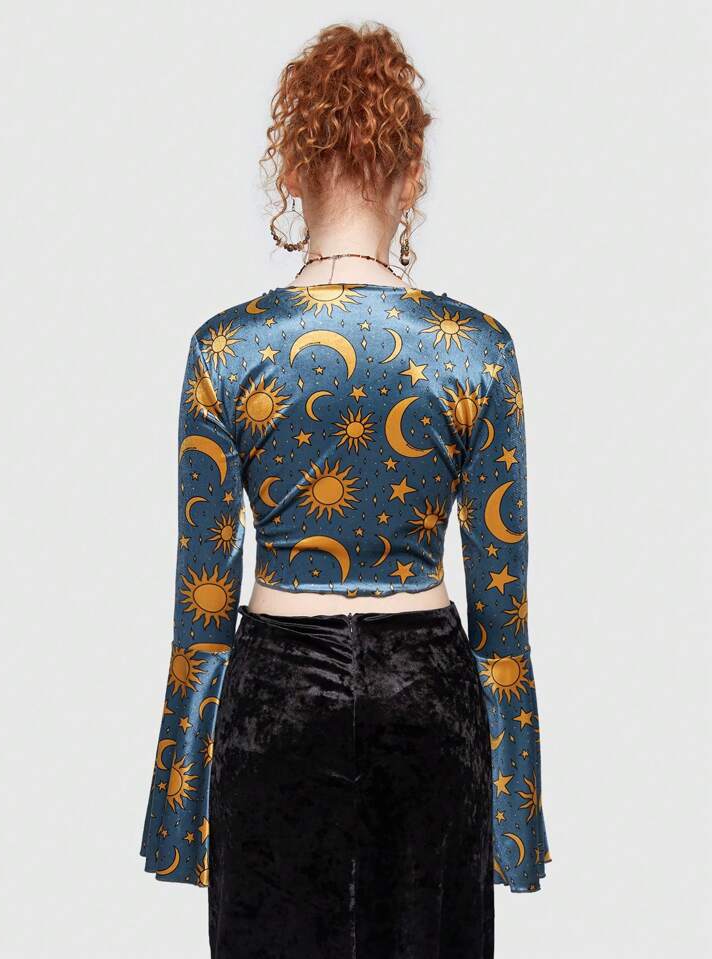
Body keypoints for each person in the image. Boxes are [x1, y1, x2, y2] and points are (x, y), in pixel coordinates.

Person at [139, 20, 550, 958]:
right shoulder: (477, 350)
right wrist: (516, 814)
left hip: (274, 696)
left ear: (290, 169)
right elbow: (503, 615)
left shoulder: (228, 350)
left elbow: (203, 607)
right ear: (413, 176)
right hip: (430, 695)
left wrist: (180, 807)